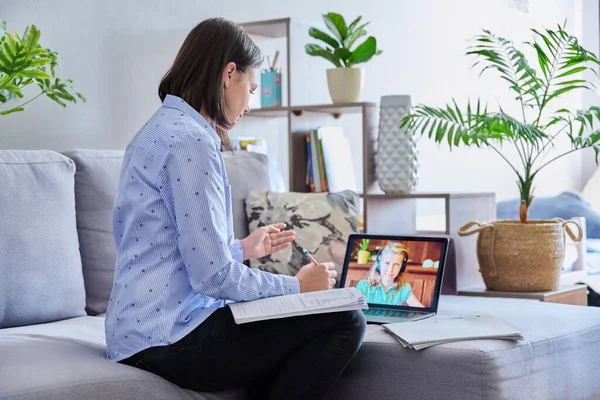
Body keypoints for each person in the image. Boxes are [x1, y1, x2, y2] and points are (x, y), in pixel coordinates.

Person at [104, 17, 366, 400]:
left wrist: (244, 248)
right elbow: (213, 279)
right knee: (344, 319)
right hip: (169, 339)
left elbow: (162, 249)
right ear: (230, 74)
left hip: (133, 332)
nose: (250, 103)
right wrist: (298, 288)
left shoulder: (155, 130)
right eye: (252, 88)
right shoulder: (193, 142)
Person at [355, 242, 424, 307]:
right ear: (379, 264)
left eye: (396, 264)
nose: (390, 269)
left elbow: (422, 311)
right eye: (387, 263)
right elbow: (351, 312)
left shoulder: (404, 288)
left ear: (402, 267)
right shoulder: (363, 286)